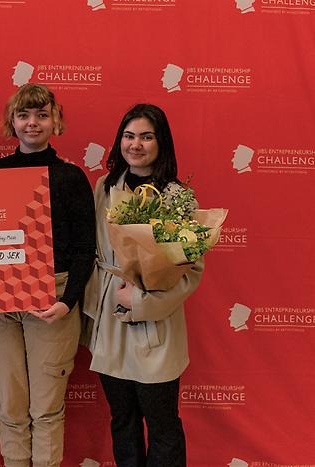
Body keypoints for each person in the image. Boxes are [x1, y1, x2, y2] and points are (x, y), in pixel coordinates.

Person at [0, 83, 96, 467]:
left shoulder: (71, 177)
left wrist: (68, 301)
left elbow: (85, 249)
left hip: (54, 297)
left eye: (42, 115)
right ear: (12, 122)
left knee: (46, 409)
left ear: (55, 121)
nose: (33, 123)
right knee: (10, 406)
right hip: (0, 303)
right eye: (24, 115)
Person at [84, 103, 204, 467]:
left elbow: (189, 271)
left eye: (146, 137)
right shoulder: (105, 187)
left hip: (156, 326)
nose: (135, 145)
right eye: (129, 136)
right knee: (122, 419)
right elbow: (92, 251)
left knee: (162, 422)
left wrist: (141, 300)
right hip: (111, 322)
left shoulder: (178, 198)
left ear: (161, 142)